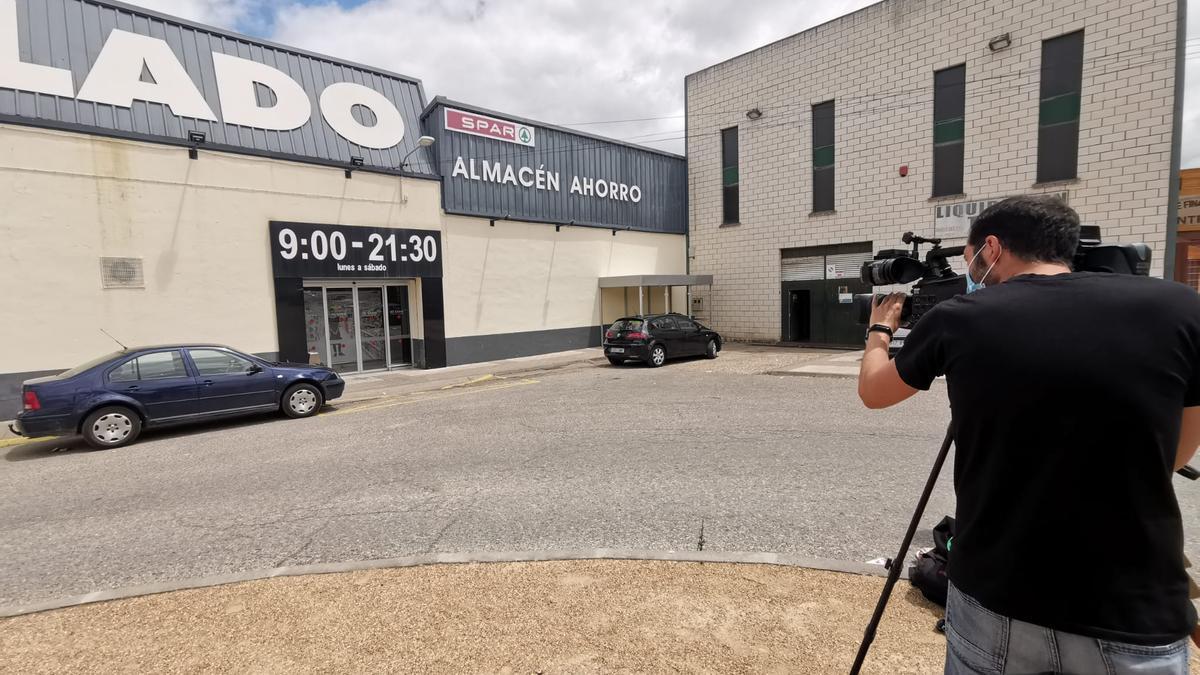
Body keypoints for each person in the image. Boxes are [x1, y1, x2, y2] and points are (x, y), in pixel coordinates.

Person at [857, 195, 1200, 674]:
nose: (970, 270)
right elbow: (1178, 449)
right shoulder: (1182, 308)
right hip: (1133, 608)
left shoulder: (959, 317)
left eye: (970, 256)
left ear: (992, 247)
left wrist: (878, 331)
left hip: (998, 596)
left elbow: (875, 391)